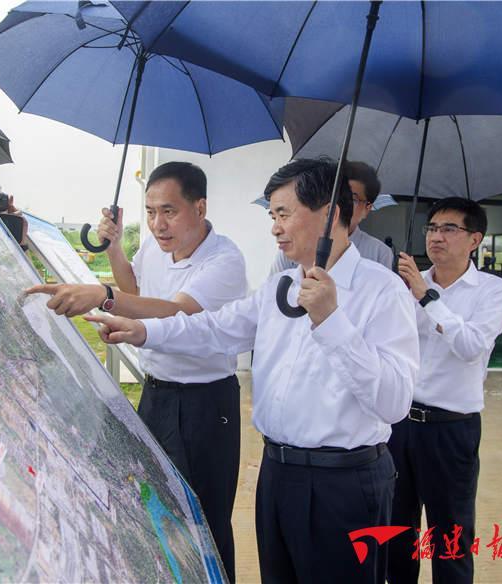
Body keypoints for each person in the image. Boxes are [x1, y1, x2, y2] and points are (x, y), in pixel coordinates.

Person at [85, 158, 419, 583]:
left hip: (343, 483)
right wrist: (143, 331)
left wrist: (333, 321)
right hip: (278, 473)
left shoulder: (382, 290)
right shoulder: (282, 286)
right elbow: (216, 329)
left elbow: (394, 402)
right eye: (272, 216)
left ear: (330, 213)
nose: (275, 228)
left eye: (284, 214)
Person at [25, 161, 247, 581]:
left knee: (204, 521)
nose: (158, 224)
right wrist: (113, 249)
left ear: (200, 208)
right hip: (156, 393)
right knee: (155, 506)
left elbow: (176, 311)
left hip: (204, 404)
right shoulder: (155, 247)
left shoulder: (224, 260)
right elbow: (135, 291)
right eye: (150, 212)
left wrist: (103, 295)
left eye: (169, 211)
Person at [389, 197, 502, 583]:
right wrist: (405, 292)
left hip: (450, 428)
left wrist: (425, 297)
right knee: (396, 531)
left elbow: (470, 346)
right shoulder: (406, 284)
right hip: (399, 424)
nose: (436, 237)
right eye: (431, 228)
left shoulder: (492, 291)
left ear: (474, 239)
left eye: (448, 229)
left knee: (450, 535)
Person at [269, 160, 393, 273]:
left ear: (367, 208)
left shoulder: (379, 253)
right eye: (275, 217)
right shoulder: (292, 249)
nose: (343, 203)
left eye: (352, 199)